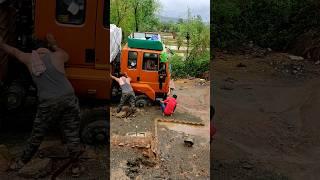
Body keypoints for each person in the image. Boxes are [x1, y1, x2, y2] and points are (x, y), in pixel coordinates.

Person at [0, 34, 82, 176]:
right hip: (68, 97)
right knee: (71, 133)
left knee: (37, 134)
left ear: (34, 50)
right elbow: (66, 55)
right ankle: (76, 167)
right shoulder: (58, 55)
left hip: (48, 101)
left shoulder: (29, 58)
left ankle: (21, 163)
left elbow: (13, 52)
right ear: (47, 47)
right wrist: (54, 44)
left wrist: (1, 44)